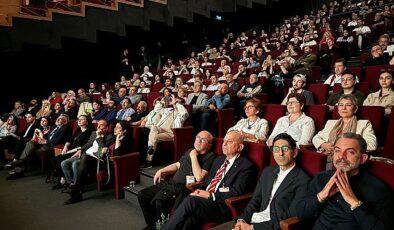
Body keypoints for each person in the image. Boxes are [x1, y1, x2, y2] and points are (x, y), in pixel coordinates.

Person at [212, 133, 310, 230]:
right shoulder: (268, 172)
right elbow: (255, 201)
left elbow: (289, 217)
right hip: (252, 221)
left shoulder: (303, 180)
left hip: (268, 227)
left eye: (285, 149)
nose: (280, 153)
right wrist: (242, 220)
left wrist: (251, 228)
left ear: (295, 152)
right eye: (276, 149)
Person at [297, 133, 394, 229]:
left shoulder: (378, 189)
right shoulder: (321, 178)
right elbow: (301, 213)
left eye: (350, 152)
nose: (341, 156)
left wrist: (354, 203)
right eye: (337, 150)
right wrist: (321, 196)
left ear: (363, 159)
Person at [163, 131, 257, 230]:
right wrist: (199, 191)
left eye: (229, 141)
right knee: (189, 220)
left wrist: (211, 195)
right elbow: (207, 182)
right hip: (205, 201)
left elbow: (236, 192)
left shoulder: (246, 166)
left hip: (222, 206)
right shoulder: (219, 160)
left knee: (191, 201)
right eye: (224, 141)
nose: (224, 144)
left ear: (240, 147)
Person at [138, 131, 216, 230]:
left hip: (183, 188)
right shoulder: (190, 151)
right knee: (142, 195)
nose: (198, 141)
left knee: (160, 202)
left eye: (203, 140)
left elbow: (199, 177)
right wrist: (161, 170)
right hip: (170, 183)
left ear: (209, 145)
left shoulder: (210, 156)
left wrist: (193, 156)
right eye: (197, 137)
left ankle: (161, 227)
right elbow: (177, 165)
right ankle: (152, 225)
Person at [64, 119, 116, 204]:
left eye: (101, 125)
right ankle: (76, 190)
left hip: (100, 160)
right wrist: (81, 149)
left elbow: (102, 151)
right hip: (88, 156)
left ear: (106, 128)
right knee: (77, 160)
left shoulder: (110, 137)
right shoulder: (93, 133)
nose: (98, 126)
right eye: (98, 125)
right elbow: (88, 144)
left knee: (84, 159)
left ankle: (75, 189)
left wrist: (99, 137)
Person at [313, 94, 377, 159]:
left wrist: (341, 148)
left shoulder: (364, 124)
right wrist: (324, 144)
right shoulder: (330, 123)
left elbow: (372, 145)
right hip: (327, 156)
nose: (343, 108)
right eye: (341, 105)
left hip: (349, 159)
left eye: (348, 105)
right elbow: (316, 138)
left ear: (355, 109)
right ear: (338, 109)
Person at [141, 99, 189, 169]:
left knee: (153, 138)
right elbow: (156, 110)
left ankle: (148, 161)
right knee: (154, 128)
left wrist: (176, 103)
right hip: (161, 129)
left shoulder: (183, 113)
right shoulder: (168, 110)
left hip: (171, 133)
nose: (175, 103)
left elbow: (183, 112)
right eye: (175, 102)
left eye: (178, 102)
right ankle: (150, 147)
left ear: (182, 105)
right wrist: (161, 102)